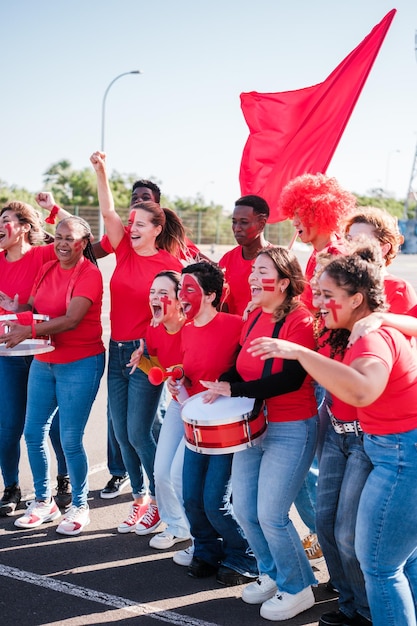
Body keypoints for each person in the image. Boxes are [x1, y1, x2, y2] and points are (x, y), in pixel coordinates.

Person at [249, 244, 417, 626]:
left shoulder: (372, 338)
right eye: (317, 293)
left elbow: (361, 390)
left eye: (327, 295)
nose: (318, 302)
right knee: (386, 559)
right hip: (388, 449)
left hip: (400, 453)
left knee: (379, 565)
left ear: (357, 299)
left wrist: (298, 352)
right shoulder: (364, 329)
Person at [202, 247, 319, 621]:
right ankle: (273, 573)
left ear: (284, 282)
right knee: (244, 509)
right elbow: (241, 366)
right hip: (253, 427)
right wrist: (221, 383)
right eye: (253, 270)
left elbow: (290, 379)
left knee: (271, 514)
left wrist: (233, 391)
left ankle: (298, 587)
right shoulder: (253, 315)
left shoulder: (302, 320)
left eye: (262, 271)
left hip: (291, 428)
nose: (252, 277)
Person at [90, 151, 183, 535]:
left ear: (157, 228)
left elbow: (178, 315)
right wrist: (101, 172)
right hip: (118, 349)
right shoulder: (124, 249)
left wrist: (153, 344)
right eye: (131, 222)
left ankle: (162, 502)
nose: (131, 227)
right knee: (120, 430)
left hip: (149, 353)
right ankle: (140, 500)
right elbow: (109, 213)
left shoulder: (171, 267)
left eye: (140, 223)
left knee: (139, 431)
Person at [0, 216, 105, 535]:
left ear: (84, 243)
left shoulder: (90, 274)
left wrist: (27, 327)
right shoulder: (46, 269)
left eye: (68, 238)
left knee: (70, 438)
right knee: (33, 433)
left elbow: (71, 319)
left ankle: (80, 504)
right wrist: (16, 309)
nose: (60, 243)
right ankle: (44, 502)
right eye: (57, 236)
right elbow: (35, 306)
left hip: (81, 361)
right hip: (45, 360)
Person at [168, 261, 258, 586]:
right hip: (196, 425)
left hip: (228, 429)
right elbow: (192, 370)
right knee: (191, 496)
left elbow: (246, 368)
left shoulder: (237, 325)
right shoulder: (187, 328)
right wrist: (178, 378)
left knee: (215, 501)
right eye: (180, 289)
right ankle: (206, 550)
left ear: (210, 295)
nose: (181, 295)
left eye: (188, 289)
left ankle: (244, 556)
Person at [0, 197, 70, 516]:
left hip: (44, 351)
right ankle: (12, 487)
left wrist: (53, 209)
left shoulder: (43, 254)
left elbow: (79, 239)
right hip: (8, 353)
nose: (1, 226)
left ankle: (64, 480)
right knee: (9, 424)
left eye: (7, 220)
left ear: (26, 228)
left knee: (52, 425)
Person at [127, 270, 190, 550]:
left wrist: (182, 376)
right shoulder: (153, 328)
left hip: (205, 407)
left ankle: (201, 533)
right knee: (162, 471)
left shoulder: (193, 327)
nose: (155, 297)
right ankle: (177, 527)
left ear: (179, 300)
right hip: (179, 405)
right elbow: (159, 371)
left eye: (163, 293)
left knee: (180, 473)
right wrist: (142, 361)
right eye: (153, 292)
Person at [344, 206, 417, 313]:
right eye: (349, 239)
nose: (351, 246)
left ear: (384, 249)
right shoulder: (341, 283)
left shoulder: (399, 289)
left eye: (360, 240)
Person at [219, 195, 271, 316]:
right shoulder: (227, 260)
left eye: (244, 222)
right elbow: (221, 307)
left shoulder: (278, 262)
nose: (237, 228)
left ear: (261, 224)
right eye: (234, 222)